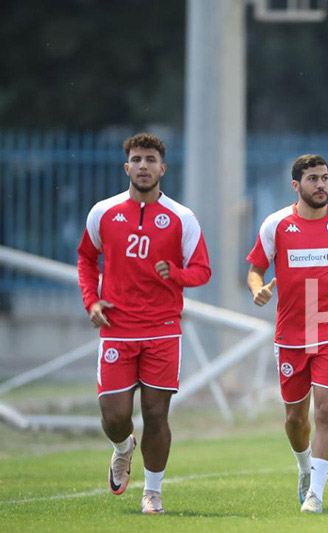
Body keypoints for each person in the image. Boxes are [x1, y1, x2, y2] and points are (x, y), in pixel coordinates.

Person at [77, 133, 211, 514]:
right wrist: (91, 301)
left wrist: (176, 274)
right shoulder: (102, 212)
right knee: (115, 417)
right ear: (127, 167)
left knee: (155, 414)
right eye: (137, 159)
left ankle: (153, 491)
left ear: (162, 168)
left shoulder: (181, 217)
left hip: (163, 329)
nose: (143, 166)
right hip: (117, 328)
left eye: (151, 159)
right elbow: (86, 259)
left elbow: (202, 270)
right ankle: (123, 449)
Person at [246, 154, 328, 514]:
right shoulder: (277, 225)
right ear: (296, 185)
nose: (322, 185)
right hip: (290, 337)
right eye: (313, 179)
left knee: (326, 413)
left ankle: (315, 493)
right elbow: (255, 268)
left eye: (325, 178)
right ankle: (303, 467)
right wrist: (257, 289)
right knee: (295, 420)